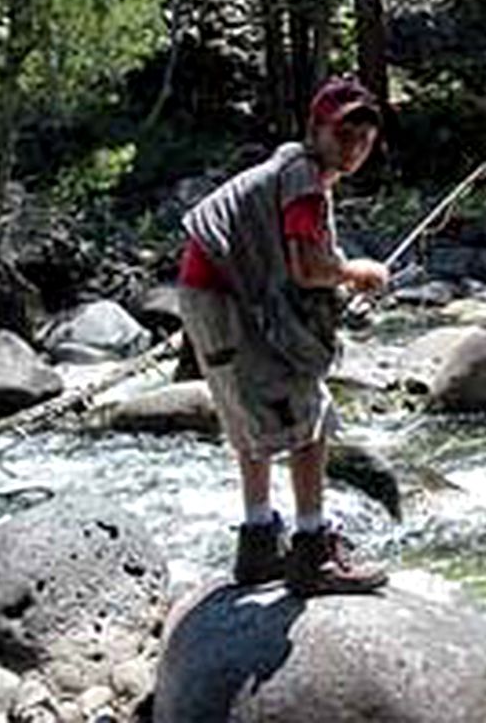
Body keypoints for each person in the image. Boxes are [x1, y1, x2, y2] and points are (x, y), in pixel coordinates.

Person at [177, 75, 390, 594]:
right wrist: (359, 273)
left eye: (364, 138)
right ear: (316, 129)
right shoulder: (303, 178)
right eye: (344, 134)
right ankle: (312, 550)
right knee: (306, 413)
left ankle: (257, 544)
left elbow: (293, 268)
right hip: (226, 297)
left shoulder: (289, 170)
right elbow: (306, 266)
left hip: (208, 292)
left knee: (249, 415)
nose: (355, 146)